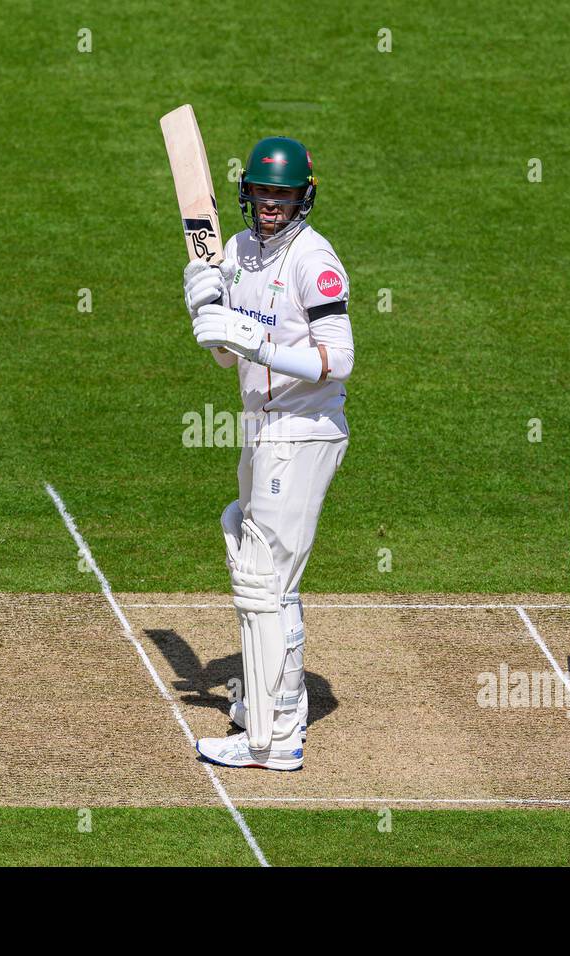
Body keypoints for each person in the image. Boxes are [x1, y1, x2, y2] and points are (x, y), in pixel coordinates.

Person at [183, 135, 354, 771]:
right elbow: (230, 350)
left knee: (268, 582)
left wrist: (254, 341)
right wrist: (208, 310)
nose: (270, 204)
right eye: (261, 192)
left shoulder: (315, 260)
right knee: (251, 553)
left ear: (302, 196)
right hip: (259, 427)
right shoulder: (239, 251)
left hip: (304, 431)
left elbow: (340, 358)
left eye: (281, 194)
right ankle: (266, 703)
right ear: (246, 192)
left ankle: (276, 737)